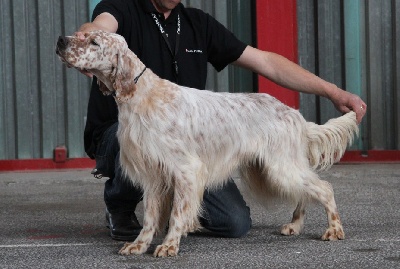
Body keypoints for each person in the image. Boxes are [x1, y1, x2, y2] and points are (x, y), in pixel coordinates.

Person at [75, 0, 367, 241]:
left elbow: (265, 62)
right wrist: (87, 40)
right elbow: (100, 26)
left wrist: (333, 91)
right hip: (121, 128)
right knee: (134, 138)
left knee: (234, 223)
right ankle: (120, 207)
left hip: (187, 146)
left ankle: (177, 207)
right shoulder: (123, 9)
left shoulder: (197, 24)